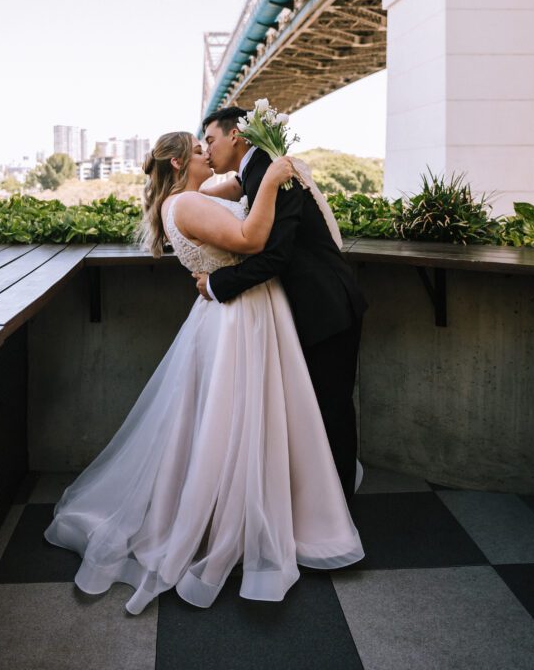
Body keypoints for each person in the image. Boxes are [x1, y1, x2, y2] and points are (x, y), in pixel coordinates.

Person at [44, 131, 363, 615]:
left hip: (244, 312)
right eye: (197, 150)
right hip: (238, 319)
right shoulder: (186, 205)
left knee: (248, 421)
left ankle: (256, 512)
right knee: (235, 422)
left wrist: (257, 162)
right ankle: (231, 523)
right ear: (177, 162)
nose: (206, 153)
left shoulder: (192, 197)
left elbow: (234, 186)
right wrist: (275, 179)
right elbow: (251, 238)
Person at [198, 106, 368, 502]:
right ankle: (322, 502)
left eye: (210, 140)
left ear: (236, 134)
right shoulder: (256, 173)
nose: (207, 150)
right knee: (318, 410)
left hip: (327, 308)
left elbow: (276, 256)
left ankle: (340, 508)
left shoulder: (275, 173)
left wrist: (217, 283)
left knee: (332, 409)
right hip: (311, 307)